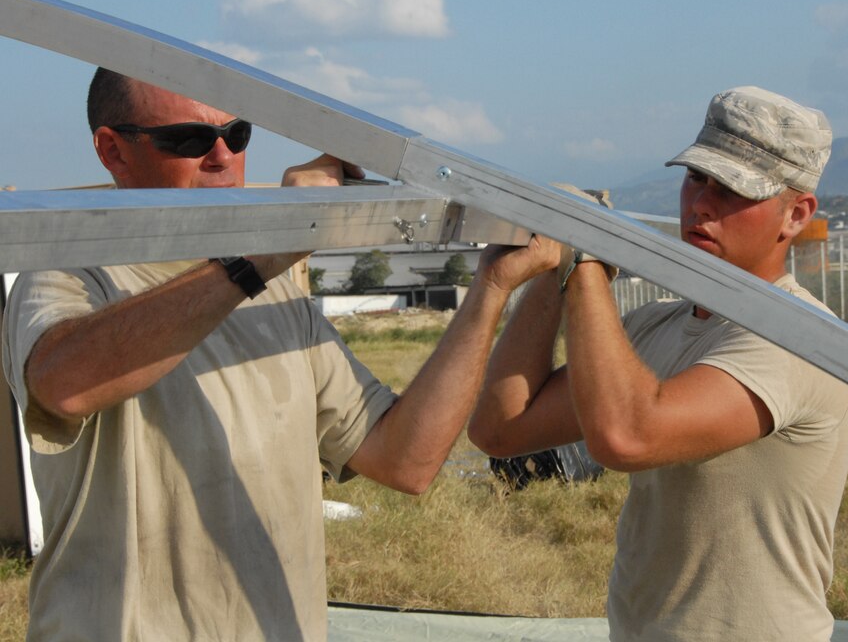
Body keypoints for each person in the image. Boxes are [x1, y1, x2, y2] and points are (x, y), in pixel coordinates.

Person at [0, 68, 557, 641]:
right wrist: (266, 251)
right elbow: (65, 382)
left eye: (237, 135)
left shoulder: (275, 294)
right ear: (113, 151)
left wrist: (489, 290)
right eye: (188, 141)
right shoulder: (67, 272)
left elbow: (405, 460)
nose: (222, 157)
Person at [469, 86, 848, 641]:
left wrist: (584, 257)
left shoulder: (800, 341)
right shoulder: (656, 327)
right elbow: (502, 427)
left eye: (732, 190)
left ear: (795, 215)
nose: (702, 204)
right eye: (697, 178)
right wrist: (552, 267)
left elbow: (628, 437)